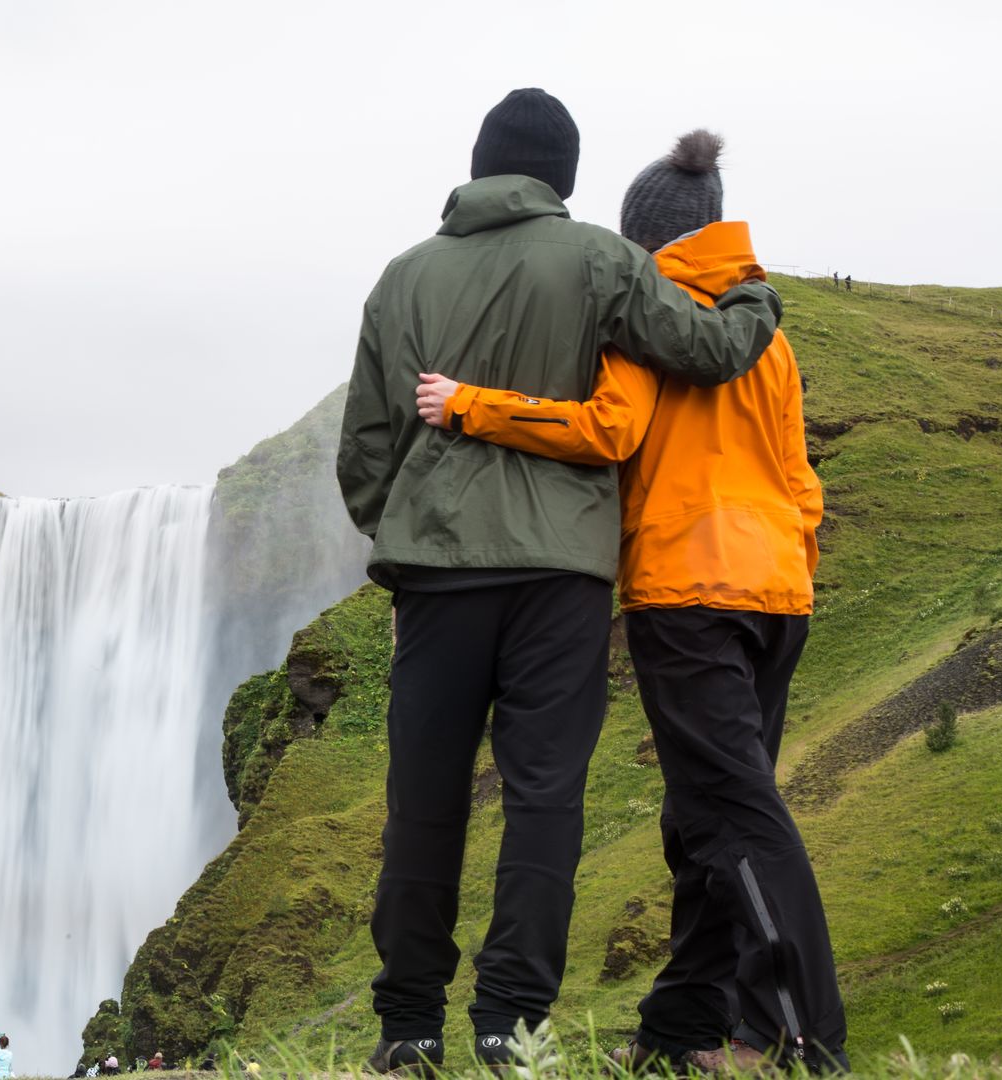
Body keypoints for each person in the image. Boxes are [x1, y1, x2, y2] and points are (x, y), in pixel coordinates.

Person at [337, 88, 783, 1076]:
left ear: (481, 162)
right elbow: (707, 352)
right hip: (562, 580)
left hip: (438, 575)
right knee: (543, 797)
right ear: (564, 180)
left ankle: (407, 1026)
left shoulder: (402, 277)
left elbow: (366, 443)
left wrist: (403, 522)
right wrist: (755, 296)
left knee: (424, 798)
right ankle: (511, 1023)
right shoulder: (599, 262)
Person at [418, 130, 849, 1073]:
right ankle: (682, 1029)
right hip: (778, 593)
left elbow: (609, 430)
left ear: (642, 238)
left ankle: (801, 1037)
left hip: (689, 593)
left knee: (733, 816)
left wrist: (467, 405)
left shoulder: (646, 314)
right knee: (704, 813)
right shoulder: (761, 326)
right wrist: (794, 564)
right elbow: (798, 476)